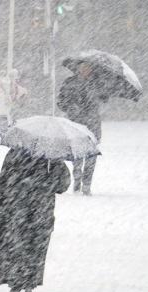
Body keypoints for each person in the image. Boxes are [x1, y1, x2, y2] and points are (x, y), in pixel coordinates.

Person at [0, 149, 70, 292]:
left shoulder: (20, 153)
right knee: (29, 252)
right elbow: (62, 186)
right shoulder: (45, 155)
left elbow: (61, 186)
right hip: (30, 212)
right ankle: (23, 285)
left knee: (26, 251)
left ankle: (25, 287)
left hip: (25, 212)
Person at [57, 61, 109, 196]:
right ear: (77, 68)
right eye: (83, 67)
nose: (86, 69)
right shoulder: (70, 82)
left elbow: (104, 98)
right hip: (77, 124)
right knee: (78, 156)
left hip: (93, 124)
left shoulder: (97, 83)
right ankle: (77, 182)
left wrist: (101, 92)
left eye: (88, 67)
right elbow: (61, 101)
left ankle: (86, 185)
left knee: (91, 155)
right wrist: (71, 107)